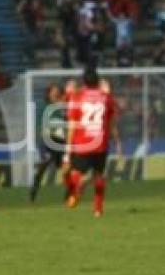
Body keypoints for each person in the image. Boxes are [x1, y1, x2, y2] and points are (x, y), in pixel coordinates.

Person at [63, 69, 120, 217]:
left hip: (82, 143)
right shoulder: (106, 98)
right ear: (98, 82)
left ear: (84, 82)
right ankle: (98, 210)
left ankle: (75, 193)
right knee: (99, 176)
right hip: (100, 143)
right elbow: (112, 121)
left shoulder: (77, 97)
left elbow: (72, 126)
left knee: (75, 173)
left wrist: (67, 153)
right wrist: (116, 140)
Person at [29, 84, 67, 202]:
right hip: (47, 141)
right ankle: (33, 193)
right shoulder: (44, 107)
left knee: (66, 167)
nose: (55, 94)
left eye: (57, 92)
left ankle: (69, 195)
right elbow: (41, 125)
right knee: (44, 164)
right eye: (53, 92)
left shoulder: (62, 108)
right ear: (49, 94)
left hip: (61, 142)